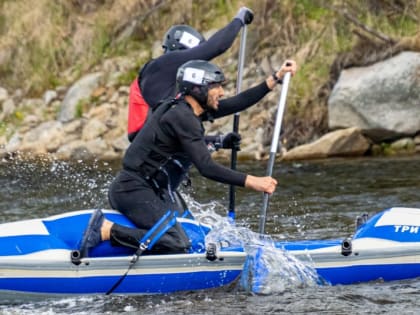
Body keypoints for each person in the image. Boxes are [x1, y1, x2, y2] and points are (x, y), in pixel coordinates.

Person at [79, 59, 297, 257]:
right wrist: (254, 182)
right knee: (177, 242)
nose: (221, 92)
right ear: (198, 89)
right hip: (132, 190)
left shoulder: (189, 109)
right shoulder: (182, 117)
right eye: (216, 86)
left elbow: (237, 103)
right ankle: (107, 230)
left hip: (155, 191)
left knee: (193, 237)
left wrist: (276, 78)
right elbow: (206, 167)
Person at [127, 6, 254, 142]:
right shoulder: (161, 66)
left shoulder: (179, 84)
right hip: (144, 144)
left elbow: (219, 108)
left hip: (159, 142)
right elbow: (216, 47)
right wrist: (239, 20)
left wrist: (218, 140)